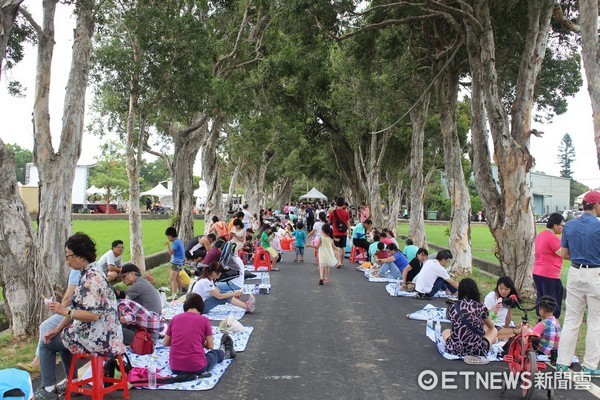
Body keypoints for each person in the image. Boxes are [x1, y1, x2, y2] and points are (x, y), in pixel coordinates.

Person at [35, 232, 125, 400]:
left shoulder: (90, 279)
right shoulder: (96, 271)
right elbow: (79, 308)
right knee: (62, 336)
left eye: (68, 256)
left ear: (79, 256)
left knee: (46, 343)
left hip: (98, 338)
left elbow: (92, 315)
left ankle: (47, 389)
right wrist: (57, 328)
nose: (67, 260)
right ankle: (73, 382)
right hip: (110, 334)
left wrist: (64, 311)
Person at [557, 190, 600, 375]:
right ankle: (590, 365)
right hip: (595, 274)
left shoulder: (570, 226)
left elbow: (564, 254)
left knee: (572, 319)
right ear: (597, 205)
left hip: (575, 272)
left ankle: (562, 362)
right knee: (595, 321)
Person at [163, 293, 235, 375]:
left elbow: (165, 343)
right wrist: (200, 342)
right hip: (197, 367)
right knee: (215, 354)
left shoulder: (175, 319)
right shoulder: (204, 320)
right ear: (201, 308)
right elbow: (210, 346)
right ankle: (224, 352)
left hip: (175, 367)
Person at [442, 278, 498, 363]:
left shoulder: (453, 306)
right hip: (477, 350)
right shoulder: (481, 307)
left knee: (446, 331)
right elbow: (491, 326)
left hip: (455, 349)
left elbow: (456, 324)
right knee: (494, 330)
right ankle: (488, 344)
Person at [533, 212, 566, 318]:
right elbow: (562, 253)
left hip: (537, 272)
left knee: (541, 299)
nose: (562, 228)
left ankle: (541, 321)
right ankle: (549, 324)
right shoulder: (552, 238)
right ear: (555, 225)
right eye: (562, 225)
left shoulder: (541, 235)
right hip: (549, 274)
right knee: (551, 302)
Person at [483, 276, 519, 341]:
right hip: (491, 326)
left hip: (501, 326)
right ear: (497, 287)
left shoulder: (509, 299)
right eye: (501, 288)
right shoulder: (491, 297)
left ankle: (497, 338)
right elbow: (484, 319)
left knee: (514, 336)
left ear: (510, 289)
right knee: (518, 332)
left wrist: (506, 328)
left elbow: (508, 318)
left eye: (506, 289)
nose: (503, 291)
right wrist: (494, 312)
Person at [328, 197, 351, 269]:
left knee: (336, 248)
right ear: (343, 203)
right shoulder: (346, 212)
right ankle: (342, 261)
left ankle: (338, 262)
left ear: (336, 203)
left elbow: (329, 222)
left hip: (336, 233)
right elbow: (348, 224)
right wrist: (350, 233)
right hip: (344, 233)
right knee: (343, 247)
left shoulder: (332, 212)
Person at [165, 227, 185, 300]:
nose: (168, 238)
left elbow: (170, 253)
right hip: (180, 262)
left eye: (167, 236)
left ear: (170, 236)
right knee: (177, 277)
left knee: (172, 278)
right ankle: (179, 290)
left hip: (175, 262)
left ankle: (174, 294)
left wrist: (167, 245)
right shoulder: (179, 241)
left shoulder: (175, 243)